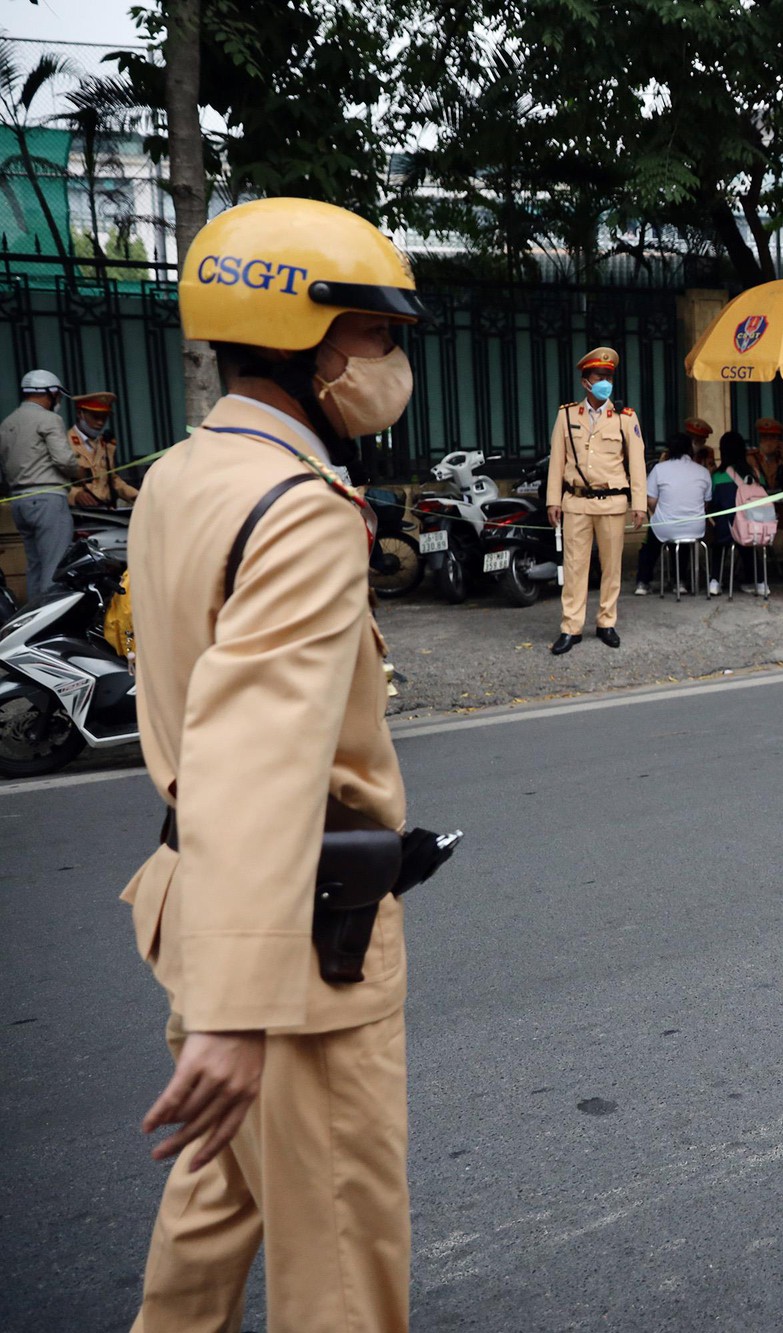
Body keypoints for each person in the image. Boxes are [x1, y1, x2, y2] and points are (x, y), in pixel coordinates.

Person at [121, 196, 428, 1331]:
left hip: (203, 904)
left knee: (216, 1197)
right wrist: (240, 1014)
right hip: (296, 953)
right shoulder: (298, 506)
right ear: (313, 338)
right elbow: (255, 752)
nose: (389, 362)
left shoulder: (183, 472)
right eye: (379, 335)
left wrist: (215, 996)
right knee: (339, 1250)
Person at [546, 347, 646, 654]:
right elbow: (556, 460)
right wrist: (553, 500)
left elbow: (637, 463)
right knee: (575, 566)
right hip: (576, 501)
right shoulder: (566, 415)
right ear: (585, 382)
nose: (605, 382)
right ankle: (571, 627)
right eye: (599, 376)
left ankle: (606, 622)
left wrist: (639, 504)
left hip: (613, 503)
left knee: (611, 567)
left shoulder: (624, 418)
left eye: (609, 377)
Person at [1, 369, 82, 604]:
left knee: (34, 566)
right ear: (52, 392)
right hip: (48, 499)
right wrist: (79, 472)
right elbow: (64, 460)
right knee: (54, 566)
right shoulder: (49, 419)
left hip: (19, 501)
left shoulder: (8, 423)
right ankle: (49, 622)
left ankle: (32, 619)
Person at [637, 432, 712, 594]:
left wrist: (665, 512)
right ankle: (680, 582)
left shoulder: (659, 469)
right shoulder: (703, 472)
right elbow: (706, 503)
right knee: (683, 541)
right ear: (690, 449)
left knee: (650, 544)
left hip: (665, 526)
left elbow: (650, 501)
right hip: (695, 528)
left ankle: (643, 582)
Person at [69, 389, 142, 510]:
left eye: (104, 417)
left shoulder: (106, 444)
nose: (100, 422)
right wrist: (75, 495)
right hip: (78, 512)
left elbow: (112, 479)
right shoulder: (64, 442)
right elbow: (53, 482)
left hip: (105, 510)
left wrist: (135, 496)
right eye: (95, 416)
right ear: (80, 414)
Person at [707, 430, 747, 593]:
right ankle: (759, 581)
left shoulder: (717, 476)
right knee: (747, 545)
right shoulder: (754, 474)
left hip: (725, 529)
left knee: (718, 542)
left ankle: (715, 581)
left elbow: (712, 504)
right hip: (751, 530)